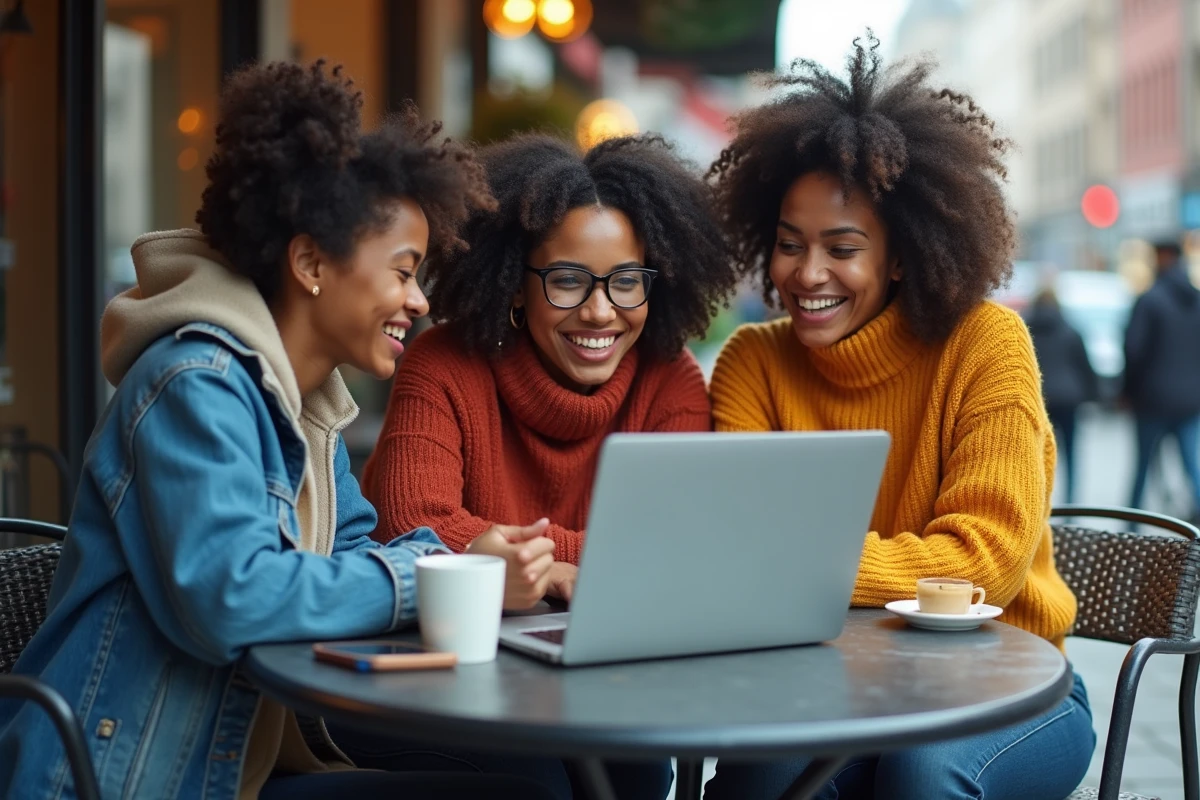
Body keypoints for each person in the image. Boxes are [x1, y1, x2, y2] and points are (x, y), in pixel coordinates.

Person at [0, 61, 563, 800]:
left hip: (232, 760)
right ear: (311, 264)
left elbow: (353, 550)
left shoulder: (303, 402)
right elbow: (232, 596)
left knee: (537, 775)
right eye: (403, 272)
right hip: (125, 779)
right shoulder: (194, 383)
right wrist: (432, 580)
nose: (420, 301)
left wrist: (468, 567)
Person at [704, 35, 1095, 800]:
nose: (806, 273)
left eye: (841, 248)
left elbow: (982, 559)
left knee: (923, 773)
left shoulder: (987, 344)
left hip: (1008, 683)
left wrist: (805, 568)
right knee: (767, 782)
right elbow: (741, 549)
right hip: (829, 686)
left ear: (904, 255)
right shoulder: (754, 360)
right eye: (788, 245)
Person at [343, 132, 738, 800]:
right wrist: (578, 564)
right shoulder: (444, 363)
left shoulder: (669, 379)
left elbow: (676, 555)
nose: (600, 311)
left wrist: (516, 553)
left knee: (639, 774)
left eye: (626, 282)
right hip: (450, 681)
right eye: (567, 281)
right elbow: (411, 526)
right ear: (516, 287)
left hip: (601, 682)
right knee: (540, 785)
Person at [1124, 240, 1200, 524]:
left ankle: (1130, 528)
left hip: (1152, 400)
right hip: (1191, 401)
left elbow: (1133, 349)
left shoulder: (1150, 300)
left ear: (1164, 256)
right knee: (1192, 468)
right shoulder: (1197, 300)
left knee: (1142, 467)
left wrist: (1127, 392)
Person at [1025, 287, 1098, 503]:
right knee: (1071, 452)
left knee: (1037, 454)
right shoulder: (1070, 330)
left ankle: (1039, 500)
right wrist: (1093, 395)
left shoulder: (1026, 329)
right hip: (1069, 398)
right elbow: (1084, 366)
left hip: (1039, 398)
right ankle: (1071, 502)